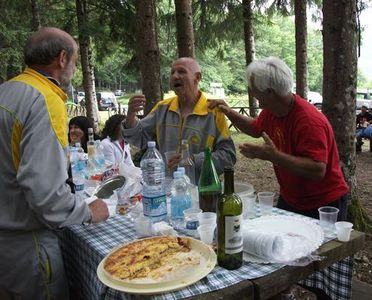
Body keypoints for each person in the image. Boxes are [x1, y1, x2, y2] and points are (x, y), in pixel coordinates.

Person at [0, 27, 109, 300]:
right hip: (28, 245)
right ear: (62, 59)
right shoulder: (45, 98)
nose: (73, 69)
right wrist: (88, 211)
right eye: (73, 62)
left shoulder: (7, 90)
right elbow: (46, 194)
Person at [209, 57, 349, 220]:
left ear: (269, 92)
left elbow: (317, 170)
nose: (250, 90)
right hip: (291, 199)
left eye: (252, 87)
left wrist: (273, 156)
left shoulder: (309, 122)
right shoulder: (273, 110)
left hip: (323, 205)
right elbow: (255, 128)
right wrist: (228, 111)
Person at [122, 57, 236, 183]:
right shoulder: (162, 108)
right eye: (172, 72)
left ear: (197, 78)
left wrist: (193, 159)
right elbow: (138, 138)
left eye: (181, 71)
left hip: (202, 191)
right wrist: (131, 114)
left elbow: (228, 156)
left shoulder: (213, 112)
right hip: (168, 190)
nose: (175, 76)